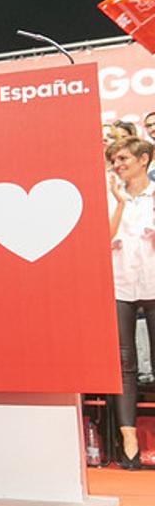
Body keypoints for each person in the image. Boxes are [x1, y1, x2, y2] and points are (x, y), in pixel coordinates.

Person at [106, 136, 155, 469]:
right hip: (120, 284)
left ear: (144, 159)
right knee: (124, 364)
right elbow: (100, 237)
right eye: (114, 160)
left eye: (123, 158)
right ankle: (129, 440)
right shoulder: (111, 196)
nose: (118, 165)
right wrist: (119, 204)